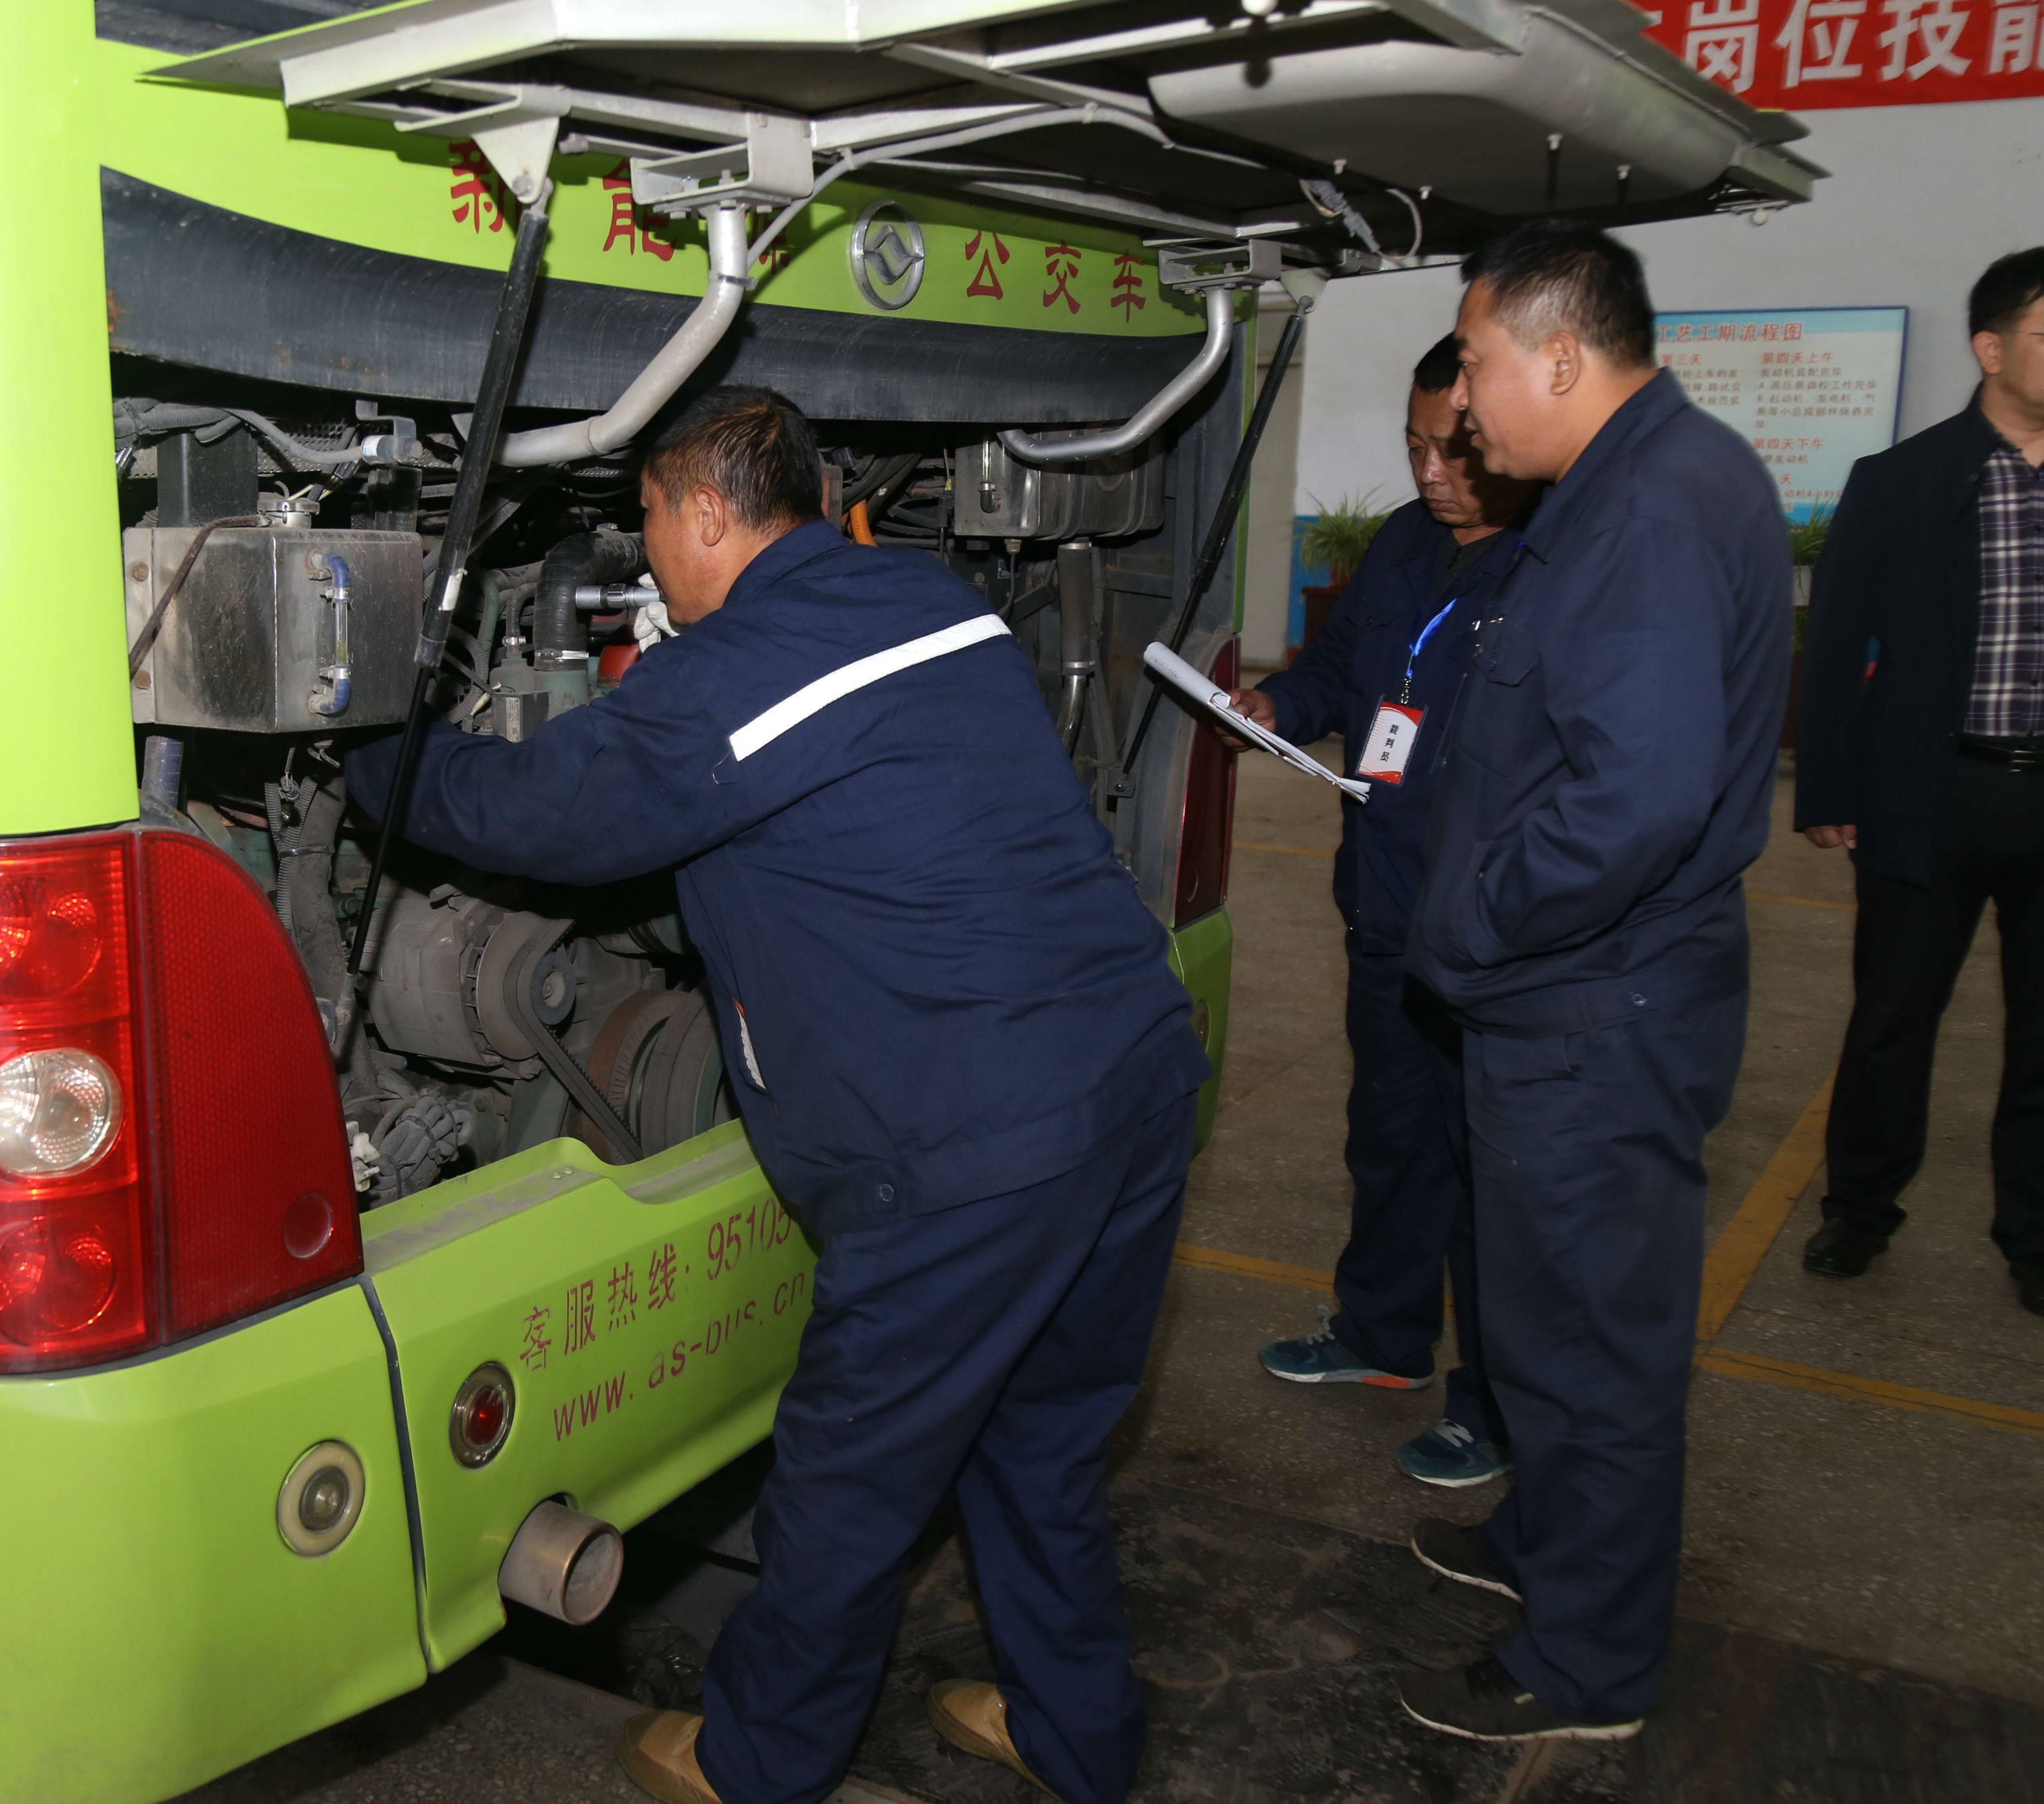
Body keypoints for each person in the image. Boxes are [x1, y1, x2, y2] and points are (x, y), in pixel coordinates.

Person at [344, 388, 1209, 1804]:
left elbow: (537, 813)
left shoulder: (744, 667)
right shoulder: (924, 600)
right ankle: (1075, 1734)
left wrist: (376, 742)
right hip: (1131, 1077)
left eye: (645, 518)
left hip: (973, 1145)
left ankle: (758, 1764)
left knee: (846, 1485)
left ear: (702, 511)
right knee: (1039, 1440)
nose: (644, 549)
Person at [1398, 221, 1791, 1741]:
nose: (1462, 401)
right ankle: (1552, 1549)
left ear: (1560, 358)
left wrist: (1473, 922)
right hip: (1579, 998)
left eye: (1475, 363)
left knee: (1590, 1350)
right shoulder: (1635, 480)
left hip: (1590, 1004)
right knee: (1543, 1323)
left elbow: (1633, 799)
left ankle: (1589, 1663)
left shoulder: (1650, 510)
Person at [1236, 334, 1539, 1486]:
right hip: (1386, 909)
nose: (1432, 473)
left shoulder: (1557, 561)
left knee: (1491, 1179)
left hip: (1495, 931)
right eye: (1415, 446)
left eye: (1457, 450)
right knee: (1391, 1139)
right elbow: (1340, 674)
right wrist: (1276, 703)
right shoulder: (1407, 545)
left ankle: (1497, 1407)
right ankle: (1382, 1335)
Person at [1794, 247, 2044, 1316]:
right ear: (1991, 349)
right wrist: (1828, 790)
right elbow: (1838, 640)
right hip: (1930, 792)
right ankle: (1860, 1207)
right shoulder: (1902, 480)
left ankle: (2034, 1235)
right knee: (1893, 1017)